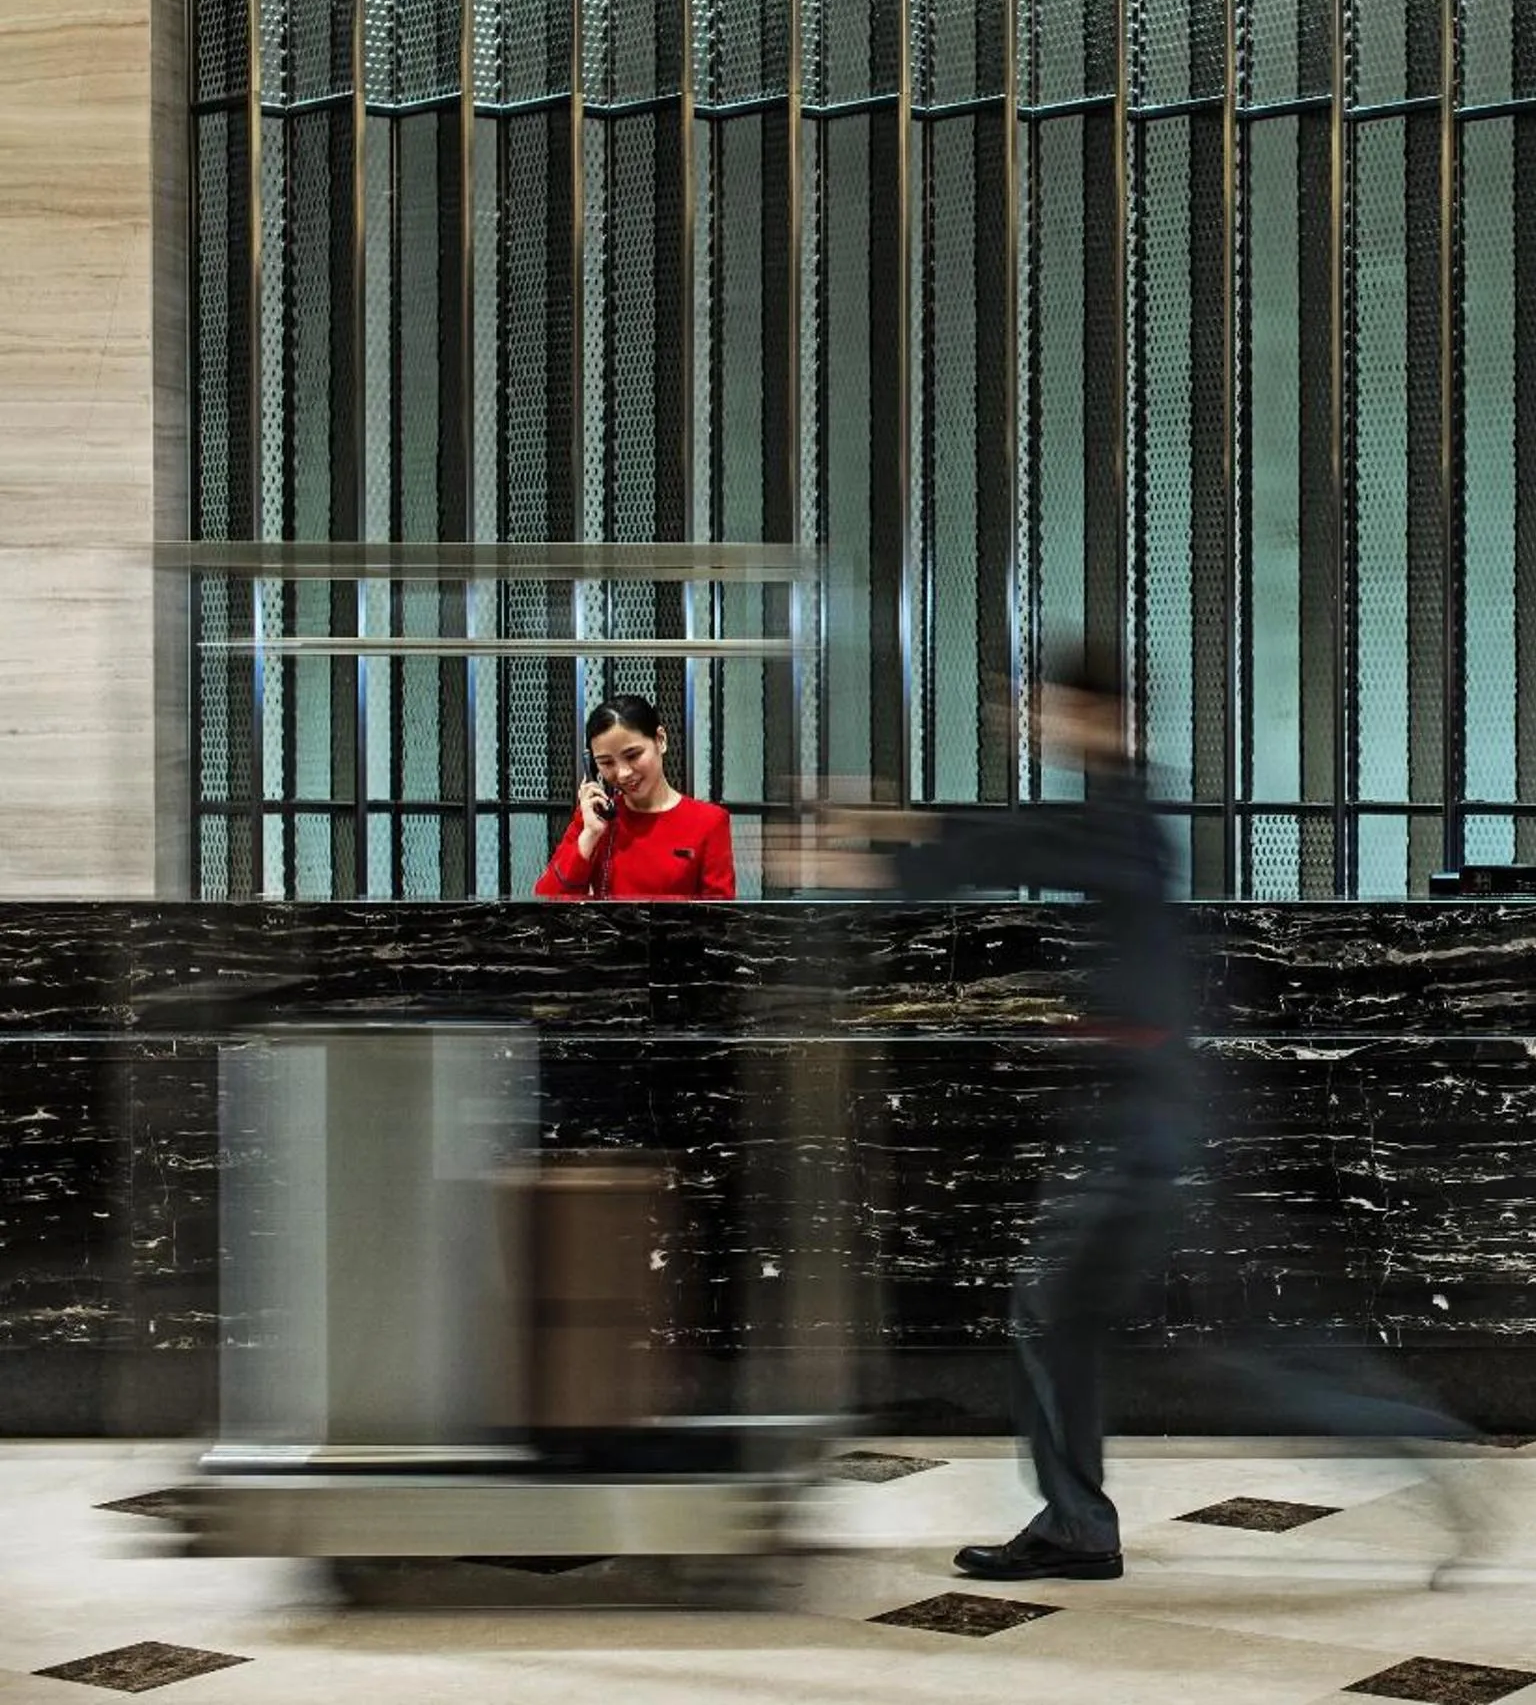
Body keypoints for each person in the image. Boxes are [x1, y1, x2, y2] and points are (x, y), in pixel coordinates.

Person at [837, 642, 1475, 1583]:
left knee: (1130, 1328)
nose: (1029, 718)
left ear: (1094, 713)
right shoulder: (1117, 804)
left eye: (1043, 703)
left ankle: (1092, 1522)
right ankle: (1084, 1521)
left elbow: (1026, 841)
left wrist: (893, 847)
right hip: (1143, 1119)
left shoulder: (1122, 812)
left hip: (1136, 1130)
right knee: (1167, 1330)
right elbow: (1030, 835)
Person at [534, 694, 737, 900]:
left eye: (633, 756)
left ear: (661, 740)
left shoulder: (709, 822)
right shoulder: (595, 818)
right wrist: (589, 836)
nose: (622, 773)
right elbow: (544, 904)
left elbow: (720, 916)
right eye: (606, 763)